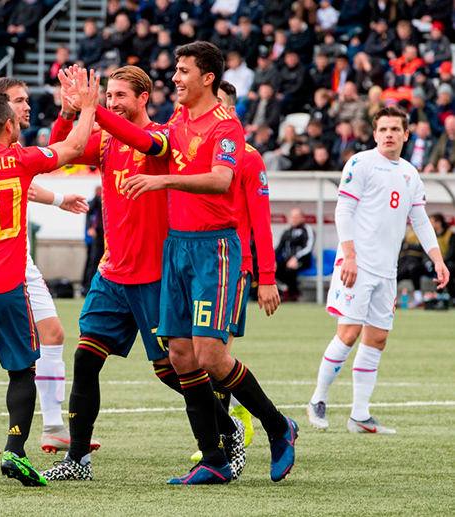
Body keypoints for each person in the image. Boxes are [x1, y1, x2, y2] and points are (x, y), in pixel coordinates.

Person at [42, 64, 244, 483]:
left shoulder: (165, 137)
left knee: (174, 369)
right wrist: (68, 112)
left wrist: (93, 108)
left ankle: (227, 426)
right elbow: (57, 153)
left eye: (120, 96)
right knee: (85, 358)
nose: (113, 102)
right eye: (108, 95)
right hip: (113, 272)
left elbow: (143, 141)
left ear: (142, 98)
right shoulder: (103, 143)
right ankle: (78, 458)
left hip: (157, 276)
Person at [121, 41, 297, 485]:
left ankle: (279, 427)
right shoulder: (179, 119)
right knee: (180, 356)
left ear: (208, 80)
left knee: (212, 357)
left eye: (183, 71)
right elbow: (148, 138)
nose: (174, 78)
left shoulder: (235, 139)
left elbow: (244, 205)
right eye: (175, 70)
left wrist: (266, 277)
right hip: (177, 247)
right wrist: (92, 112)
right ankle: (213, 458)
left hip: (217, 253)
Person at [0, 67, 98, 485]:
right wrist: (88, 107)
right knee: (21, 370)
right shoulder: (17, 159)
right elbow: (76, 146)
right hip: (3, 279)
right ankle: (15, 450)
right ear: (8, 124)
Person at [307, 107, 450, 434]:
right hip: (357, 265)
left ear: (405, 134)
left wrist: (438, 259)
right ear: (374, 134)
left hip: (386, 272)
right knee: (349, 334)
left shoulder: (411, 173)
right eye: (383, 129)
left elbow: (421, 220)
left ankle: (359, 415)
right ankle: (318, 398)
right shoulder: (360, 163)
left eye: (395, 129)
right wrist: (350, 256)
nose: (389, 134)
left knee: (377, 339)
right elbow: (343, 210)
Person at [182, 80, 281, 462]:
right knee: (189, 353)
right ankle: (230, 422)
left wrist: (267, 278)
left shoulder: (249, 157)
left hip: (229, 265)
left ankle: (228, 438)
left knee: (213, 353)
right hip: (191, 260)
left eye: (217, 104)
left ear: (232, 111)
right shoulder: (190, 149)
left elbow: (261, 221)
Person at [275, 208, 315, 301]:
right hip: (287, 260)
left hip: (302, 261)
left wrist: (296, 258)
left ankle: (293, 294)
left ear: (302, 218)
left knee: (290, 270)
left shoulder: (307, 230)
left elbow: (308, 247)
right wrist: (271, 259)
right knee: (273, 269)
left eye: (296, 217)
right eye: (292, 217)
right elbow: (279, 247)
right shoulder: (287, 232)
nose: (294, 219)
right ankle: (284, 290)